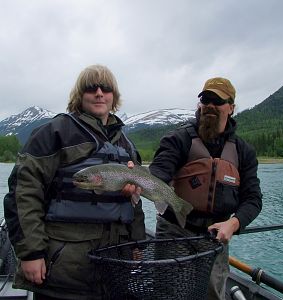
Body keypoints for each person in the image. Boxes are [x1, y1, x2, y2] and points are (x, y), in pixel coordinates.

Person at [3, 64, 146, 300]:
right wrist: (30, 253)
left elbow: (134, 205)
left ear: (114, 96)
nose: (99, 92)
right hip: (63, 272)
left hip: (114, 269)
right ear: (79, 95)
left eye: (106, 88)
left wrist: (138, 245)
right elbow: (23, 192)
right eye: (91, 87)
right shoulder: (53, 133)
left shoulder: (127, 145)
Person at [149, 77, 262, 300]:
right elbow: (158, 173)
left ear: (231, 108)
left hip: (215, 239)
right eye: (206, 99)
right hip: (175, 232)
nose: (210, 105)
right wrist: (141, 183)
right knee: (169, 295)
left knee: (212, 295)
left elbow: (253, 199)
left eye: (217, 101)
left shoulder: (243, 152)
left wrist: (234, 223)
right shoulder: (177, 140)